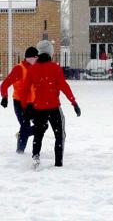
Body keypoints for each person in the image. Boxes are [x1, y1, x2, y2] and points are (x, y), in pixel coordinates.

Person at [20, 40, 81, 168]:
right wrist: (73, 102)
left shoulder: (32, 69)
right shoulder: (55, 68)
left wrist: (25, 107)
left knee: (38, 134)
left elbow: (25, 90)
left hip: (38, 108)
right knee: (59, 135)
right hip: (54, 108)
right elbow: (64, 86)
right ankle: (58, 162)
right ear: (50, 53)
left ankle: (35, 156)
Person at [1, 47, 39, 153]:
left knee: (42, 125)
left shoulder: (35, 69)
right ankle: (20, 152)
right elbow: (4, 84)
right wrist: (4, 97)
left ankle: (22, 133)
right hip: (20, 103)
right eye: (36, 57)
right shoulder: (19, 69)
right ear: (30, 58)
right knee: (25, 125)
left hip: (33, 104)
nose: (37, 60)